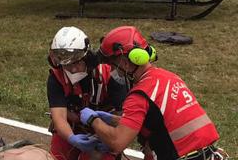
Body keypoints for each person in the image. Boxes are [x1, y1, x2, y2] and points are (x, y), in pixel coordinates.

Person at [80, 26, 225, 160]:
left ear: (124, 63)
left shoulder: (140, 94)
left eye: (112, 66)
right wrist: (111, 119)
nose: (112, 72)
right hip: (208, 153)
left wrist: (94, 121)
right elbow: (154, 121)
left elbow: (117, 143)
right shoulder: (169, 76)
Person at [47, 26, 128, 160]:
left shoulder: (109, 73)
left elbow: (125, 118)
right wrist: (72, 138)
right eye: (67, 65)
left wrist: (112, 137)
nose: (72, 70)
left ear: (87, 57)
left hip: (105, 128)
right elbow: (59, 117)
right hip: (71, 126)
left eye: (77, 63)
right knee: (58, 156)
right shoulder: (56, 78)